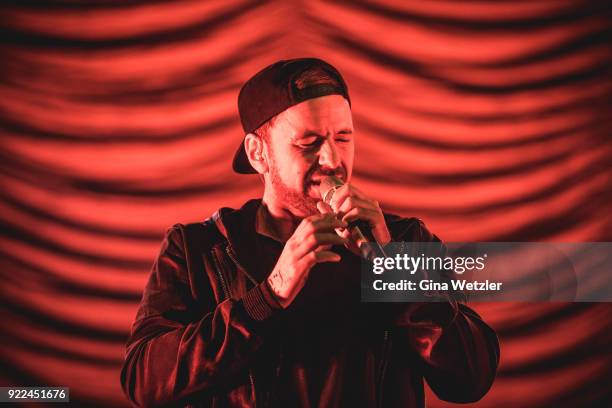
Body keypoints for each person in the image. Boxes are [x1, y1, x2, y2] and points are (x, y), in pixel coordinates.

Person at [121, 58, 500, 407]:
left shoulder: (404, 239)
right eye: (310, 142)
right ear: (258, 154)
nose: (333, 160)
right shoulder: (198, 248)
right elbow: (144, 381)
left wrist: (393, 268)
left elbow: (470, 379)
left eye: (344, 138)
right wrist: (266, 298)